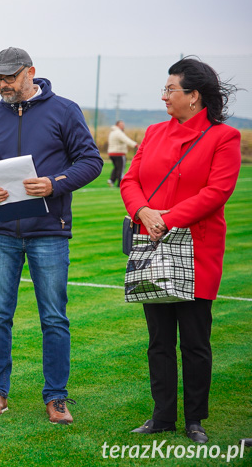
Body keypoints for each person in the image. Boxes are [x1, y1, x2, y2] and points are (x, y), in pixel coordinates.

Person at [0, 47, 103, 424]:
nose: (3, 84)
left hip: (49, 233)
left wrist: (54, 184)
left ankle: (56, 397)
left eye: (9, 76)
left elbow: (91, 161)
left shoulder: (65, 110)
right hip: (2, 232)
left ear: (31, 73)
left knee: (54, 317)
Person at [121, 58, 241, 444]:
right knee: (158, 341)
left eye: (171, 89)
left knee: (194, 340)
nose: (165, 96)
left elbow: (216, 193)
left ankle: (194, 419)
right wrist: (142, 211)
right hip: (152, 246)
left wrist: (165, 218)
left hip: (196, 252)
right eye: (166, 89)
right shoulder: (154, 132)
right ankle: (162, 417)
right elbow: (131, 179)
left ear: (195, 96)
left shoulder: (224, 138)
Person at [107, 120, 137, 187]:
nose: (123, 126)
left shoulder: (112, 132)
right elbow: (126, 140)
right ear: (117, 125)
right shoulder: (118, 132)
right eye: (122, 125)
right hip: (119, 153)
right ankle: (120, 183)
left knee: (116, 168)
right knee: (121, 169)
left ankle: (111, 180)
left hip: (111, 153)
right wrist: (136, 145)